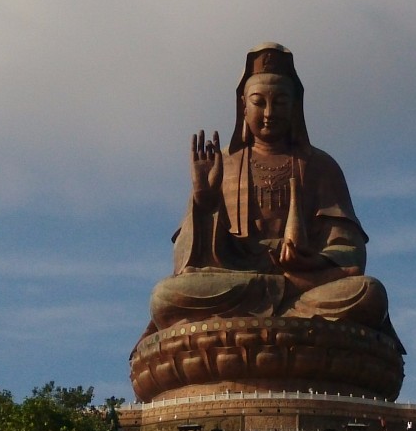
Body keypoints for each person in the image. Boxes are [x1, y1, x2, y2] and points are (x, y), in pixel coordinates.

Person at [145, 43, 394, 341]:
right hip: (237, 279)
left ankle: (276, 312)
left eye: (280, 102)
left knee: (368, 293)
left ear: (295, 105)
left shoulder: (320, 166)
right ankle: (284, 312)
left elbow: (350, 250)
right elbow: (185, 262)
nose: (269, 112)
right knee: (165, 296)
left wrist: (310, 261)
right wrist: (204, 203)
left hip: (304, 281)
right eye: (259, 102)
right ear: (243, 105)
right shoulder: (220, 164)